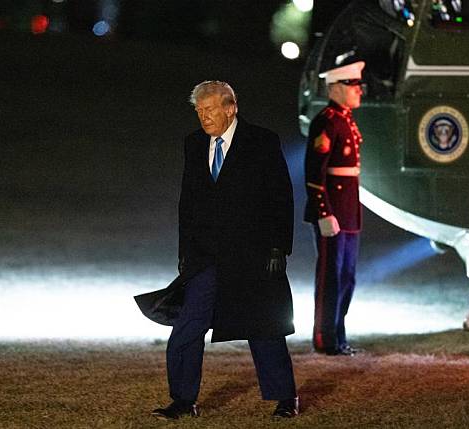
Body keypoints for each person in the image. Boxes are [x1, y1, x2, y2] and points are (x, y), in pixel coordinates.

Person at [151, 81, 298, 420]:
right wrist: (185, 252)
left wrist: (279, 246)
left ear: (231, 107)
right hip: (205, 257)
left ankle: (285, 397)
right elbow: (187, 203)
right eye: (200, 111)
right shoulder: (193, 144)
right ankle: (183, 401)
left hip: (253, 255)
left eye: (211, 109)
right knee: (188, 326)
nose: (204, 117)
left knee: (264, 326)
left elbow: (280, 197)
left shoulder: (262, 141)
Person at [304, 60, 365, 356]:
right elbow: (314, 173)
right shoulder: (326, 120)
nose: (359, 91)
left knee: (347, 276)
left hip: (349, 211)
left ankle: (338, 335)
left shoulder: (346, 120)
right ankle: (324, 337)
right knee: (331, 276)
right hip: (333, 213)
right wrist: (323, 212)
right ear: (336, 88)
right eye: (354, 85)